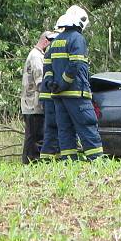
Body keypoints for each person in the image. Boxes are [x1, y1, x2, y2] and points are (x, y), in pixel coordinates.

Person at [50, 5, 104, 160]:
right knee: (87, 126)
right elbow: (76, 64)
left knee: (65, 131)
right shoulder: (77, 38)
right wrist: (65, 83)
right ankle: (98, 161)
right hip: (76, 94)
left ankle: (68, 163)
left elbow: (48, 67)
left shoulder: (55, 41)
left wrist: (53, 84)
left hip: (59, 97)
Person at [21, 30, 58, 163]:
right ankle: (31, 162)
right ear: (46, 41)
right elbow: (40, 81)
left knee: (33, 135)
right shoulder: (36, 56)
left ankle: (30, 162)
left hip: (32, 104)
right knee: (34, 137)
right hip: (33, 104)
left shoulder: (35, 54)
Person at [39, 15, 68, 161]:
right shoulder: (54, 49)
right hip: (50, 97)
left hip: (49, 96)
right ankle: (46, 160)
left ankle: (52, 159)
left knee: (54, 129)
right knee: (52, 129)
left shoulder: (50, 49)